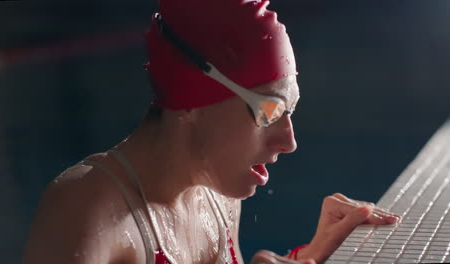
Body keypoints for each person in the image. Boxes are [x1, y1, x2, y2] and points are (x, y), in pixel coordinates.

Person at [23, 0, 400, 263]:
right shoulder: (83, 212)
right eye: (268, 110)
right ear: (191, 101)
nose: (289, 142)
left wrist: (313, 254)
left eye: (290, 112)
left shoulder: (217, 195)